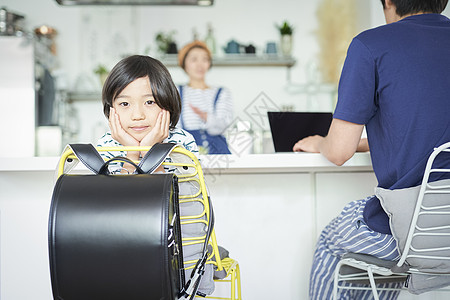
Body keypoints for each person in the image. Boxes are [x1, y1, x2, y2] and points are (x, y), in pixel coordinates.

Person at [293, 0, 450, 298]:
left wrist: (319, 142)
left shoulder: (371, 45)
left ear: (388, 1)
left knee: (331, 241)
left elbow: (338, 152)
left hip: (410, 234)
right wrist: (368, 143)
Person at [96, 55, 198, 173]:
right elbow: (118, 192)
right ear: (111, 109)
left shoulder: (182, 141)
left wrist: (149, 153)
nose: (138, 116)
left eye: (149, 102)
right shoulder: (106, 144)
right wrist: (132, 153)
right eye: (124, 104)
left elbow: (184, 190)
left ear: (168, 103)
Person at [177, 40, 233, 154]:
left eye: (205, 59)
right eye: (194, 59)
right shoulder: (175, 91)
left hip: (218, 154)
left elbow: (222, 126)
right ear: (184, 64)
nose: (200, 65)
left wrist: (205, 116)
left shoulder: (222, 92)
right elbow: (173, 129)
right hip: (186, 154)